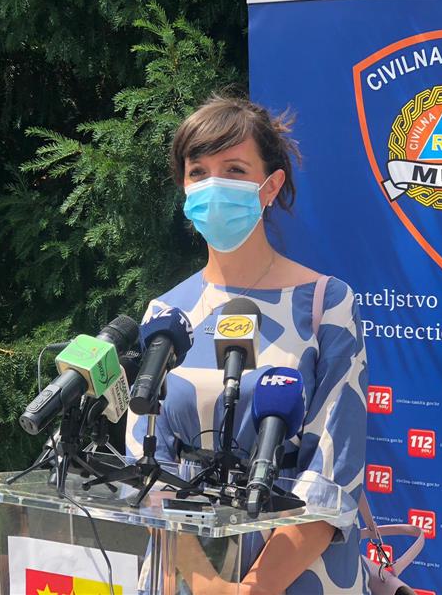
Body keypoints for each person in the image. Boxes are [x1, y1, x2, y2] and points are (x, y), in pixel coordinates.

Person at [126, 95, 369, 594]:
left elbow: (332, 471)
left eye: (234, 170)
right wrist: (206, 582)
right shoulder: (165, 313)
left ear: (270, 186)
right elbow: (144, 463)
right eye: (198, 172)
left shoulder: (325, 304)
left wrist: (254, 588)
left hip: (299, 576)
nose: (214, 185)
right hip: (184, 572)